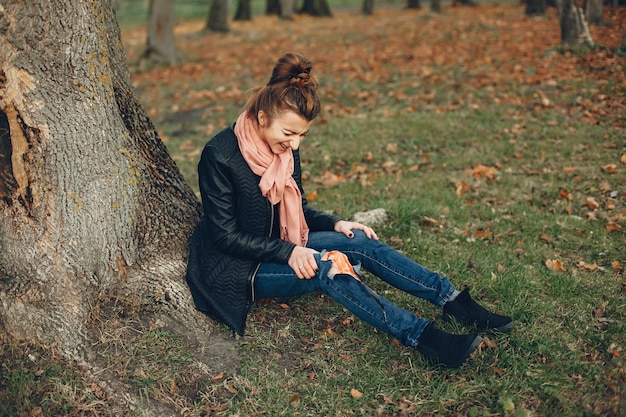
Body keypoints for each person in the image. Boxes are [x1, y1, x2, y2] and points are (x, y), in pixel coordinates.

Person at [186, 52, 513, 368]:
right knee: (331, 268)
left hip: (281, 241)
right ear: (261, 117)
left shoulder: (283, 147)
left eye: (302, 135)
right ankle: (426, 339)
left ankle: (453, 301)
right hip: (238, 267)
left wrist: (337, 223)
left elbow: (297, 207)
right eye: (289, 134)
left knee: (359, 240)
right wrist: (289, 252)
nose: (295, 144)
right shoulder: (220, 155)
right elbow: (224, 236)